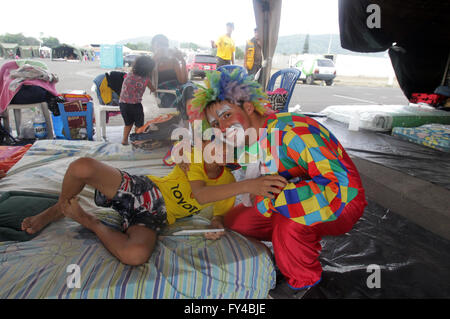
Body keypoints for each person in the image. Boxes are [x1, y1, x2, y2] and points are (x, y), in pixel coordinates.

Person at [189, 69, 367, 298]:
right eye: (215, 123)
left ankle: (305, 283)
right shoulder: (248, 140)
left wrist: (267, 197)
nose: (221, 128)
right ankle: (292, 251)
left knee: (290, 224)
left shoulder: (294, 133)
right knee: (236, 221)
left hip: (343, 200)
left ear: (249, 107)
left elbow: (337, 186)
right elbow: (239, 179)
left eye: (225, 115)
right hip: (292, 194)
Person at [20, 140, 285, 265]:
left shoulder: (227, 181)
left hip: (153, 217)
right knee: (82, 166)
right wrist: (250, 185)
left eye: (228, 148)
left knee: (134, 255)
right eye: (214, 141)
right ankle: (58, 208)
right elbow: (199, 195)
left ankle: (87, 220)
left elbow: (218, 212)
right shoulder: (193, 157)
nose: (219, 149)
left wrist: (216, 224)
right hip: (143, 189)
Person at [151, 34, 196, 121]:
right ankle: (192, 123)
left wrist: (182, 60)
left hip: (179, 88)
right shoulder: (149, 62)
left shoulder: (172, 61)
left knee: (190, 89)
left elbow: (183, 81)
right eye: (159, 44)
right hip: (164, 92)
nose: (163, 47)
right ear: (153, 46)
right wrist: (155, 59)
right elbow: (146, 80)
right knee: (188, 99)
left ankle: (195, 125)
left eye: (165, 45)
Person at [119, 55, 156, 145]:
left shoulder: (130, 74)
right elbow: (153, 89)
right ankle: (136, 140)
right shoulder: (146, 79)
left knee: (128, 123)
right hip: (135, 106)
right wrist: (153, 90)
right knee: (139, 125)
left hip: (123, 104)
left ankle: (124, 140)